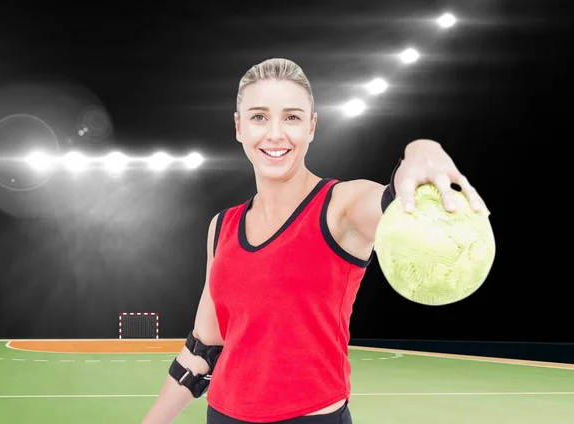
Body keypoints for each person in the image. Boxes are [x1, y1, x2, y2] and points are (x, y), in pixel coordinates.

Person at [141, 58, 488, 424]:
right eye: (259, 117)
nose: (275, 133)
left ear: (312, 126)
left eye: (292, 117)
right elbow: (202, 350)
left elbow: (394, 195)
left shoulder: (342, 207)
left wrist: (423, 150)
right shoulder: (222, 227)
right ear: (239, 127)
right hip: (222, 416)